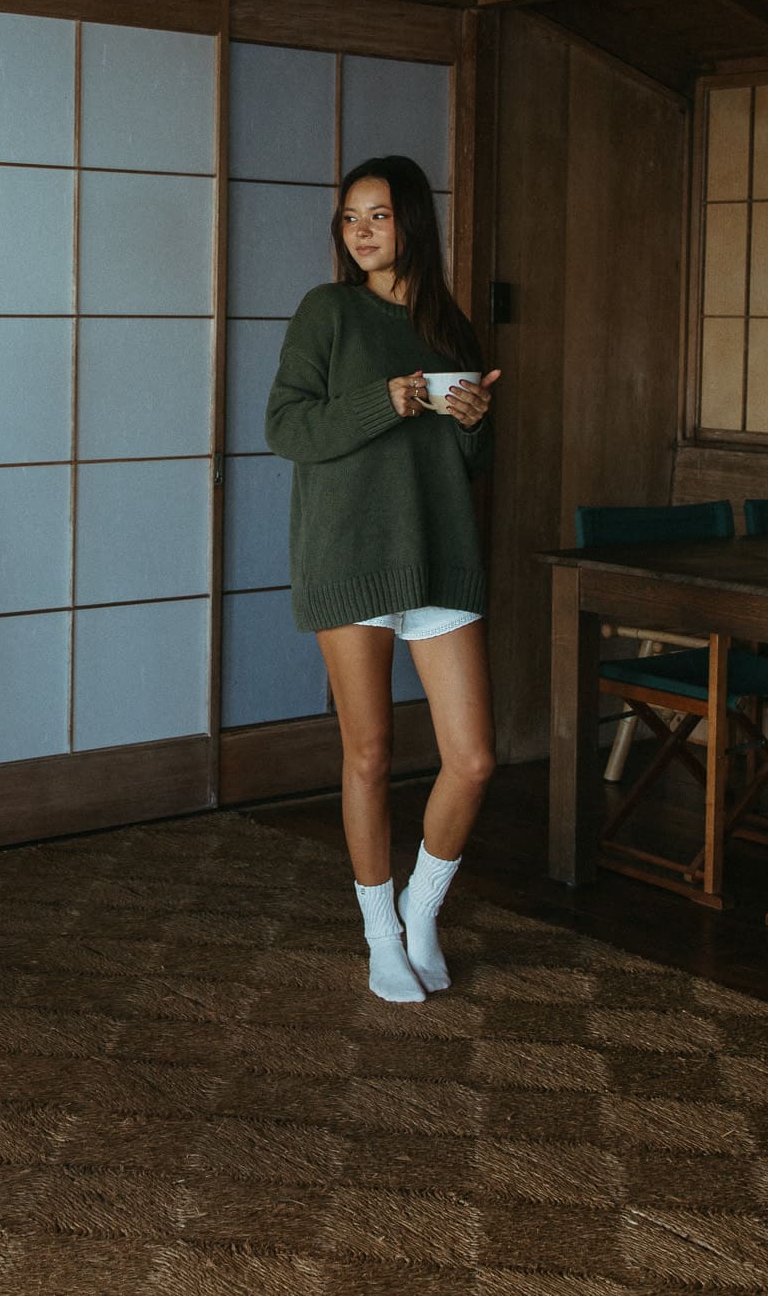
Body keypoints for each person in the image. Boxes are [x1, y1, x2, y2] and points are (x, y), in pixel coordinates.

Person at [264, 156, 500, 1003]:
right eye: (350, 218)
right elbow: (285, 425)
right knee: (369, 753)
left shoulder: (450, 326)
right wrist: (384, 401)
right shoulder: (327, 311)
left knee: (472, 759)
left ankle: (422, 908)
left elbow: (466, 461)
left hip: (437, 553)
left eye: (380, 216)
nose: (361, 231)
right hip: (350, 551)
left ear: (414, 225)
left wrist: (475, 422)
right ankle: (379, 936)